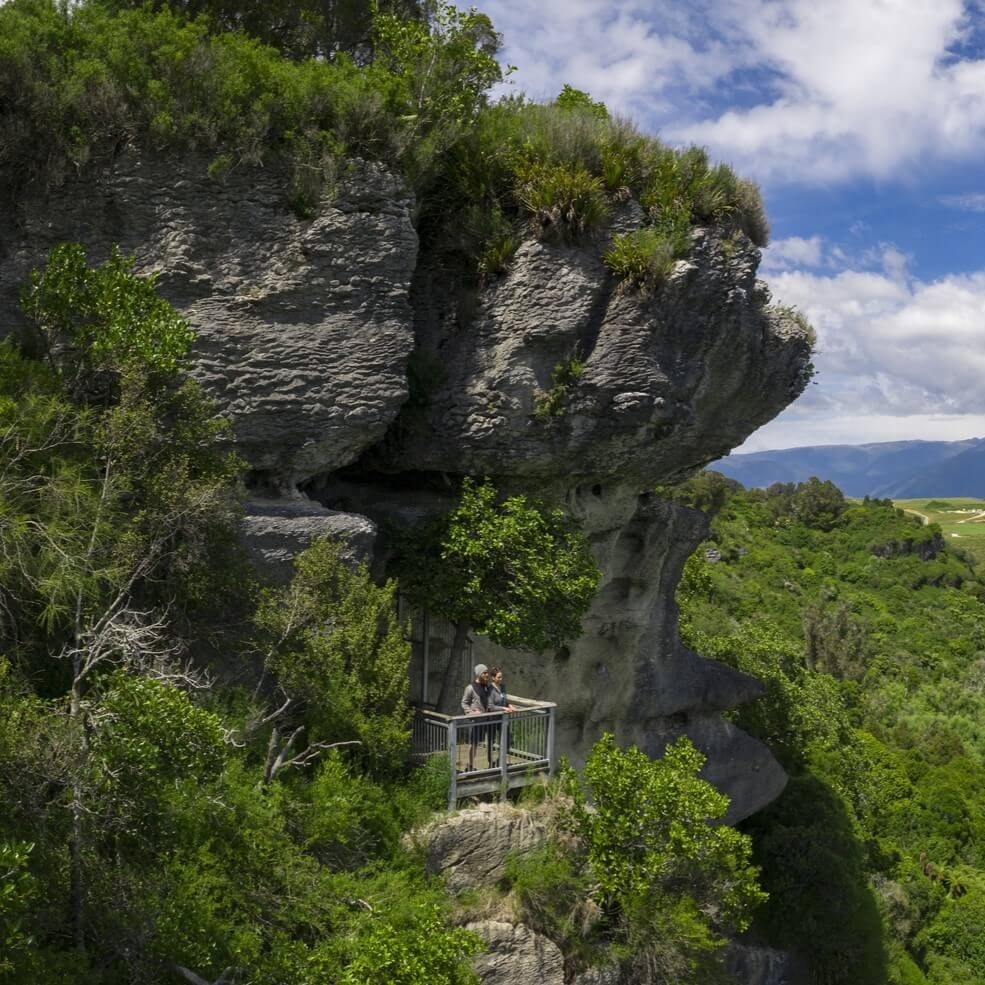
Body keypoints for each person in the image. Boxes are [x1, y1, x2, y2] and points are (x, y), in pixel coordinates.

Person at [462, 664, 494, 771]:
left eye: (487, 673)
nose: (487, 675)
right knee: (474, 743)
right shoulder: (470, 688)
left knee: (490, 742)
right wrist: (471, 712)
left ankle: (491, 763)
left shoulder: (487, 686)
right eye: (484, 673)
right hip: (476, 721)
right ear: (479, 674)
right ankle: (470, 765)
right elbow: (464, 703)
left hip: (488, 719)